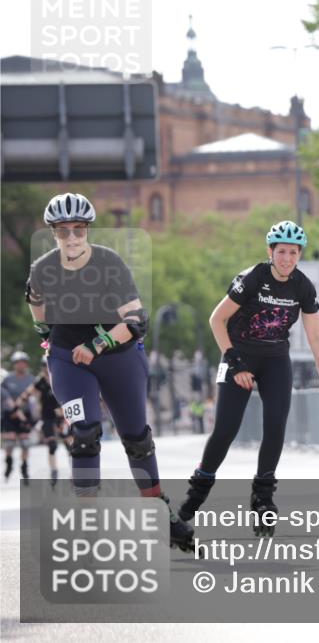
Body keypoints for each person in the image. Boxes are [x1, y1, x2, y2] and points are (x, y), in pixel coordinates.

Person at [24, 192, 194, 550]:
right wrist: (45, 335)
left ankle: (158, 509)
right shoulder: (43, 267)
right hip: (68, 358)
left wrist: (97, 345)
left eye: (78, 229)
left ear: (88, 229)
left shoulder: (108, 263)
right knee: (84, 432)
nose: (71, 237)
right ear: (53, 232)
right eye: (62, 230)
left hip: (118, 353)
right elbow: (35, 300)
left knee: (137, 438)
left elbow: (136, 320)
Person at [177, 220, 319, 537]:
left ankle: (263, 498)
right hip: (239, 355)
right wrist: (234, 361)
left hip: (276, 359)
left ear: (299, 254)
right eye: (281, 252)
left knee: (276, 425)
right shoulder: (253, 278)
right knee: (225, 430)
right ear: (270, 251)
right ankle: (198, 489)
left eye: (293, 252)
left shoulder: (303, 286)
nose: (287, 258)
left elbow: (315, 335)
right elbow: (217, 319)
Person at [14, 356, 71, 487]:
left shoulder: (61, 377)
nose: (47, 368)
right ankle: (54, 472)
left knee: (70, 445)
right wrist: (16, 409)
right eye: (45, 366)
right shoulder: (39, 382)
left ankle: (74, 473)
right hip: (47, 417)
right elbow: (25, 396)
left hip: (62, 417)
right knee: (52, 446)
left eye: (48, 365)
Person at [2, 352, 35, 483]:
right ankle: (9, 462)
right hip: (10, 414)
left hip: (25, 414)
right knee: (10, 442)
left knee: (25, 443)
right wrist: (11, 408)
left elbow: (34, 397)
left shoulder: (31, 379)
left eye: (22, 362)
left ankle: (24, 467)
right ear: (14, 364)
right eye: (17, 362)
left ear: (26, 364)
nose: (20, 364)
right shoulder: (7, 379)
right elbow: (3, 396)